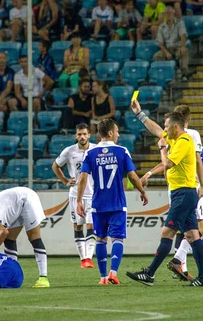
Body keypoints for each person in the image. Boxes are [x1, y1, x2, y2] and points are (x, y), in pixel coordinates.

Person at [128, 105, 203, 287]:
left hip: (183, 193)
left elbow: (169, 163)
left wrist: (162, 149)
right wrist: (140, 114)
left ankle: (149, 274)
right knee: (193, 235)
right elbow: (155, 129)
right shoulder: (173, 138)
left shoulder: (184, 141)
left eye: (166, 126)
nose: (164, 129)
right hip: (184, 193)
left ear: (175, 127)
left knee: (167, 232)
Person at [78, 118, 148, 285]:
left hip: (98, 204)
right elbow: (132, 175)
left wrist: (79, 200)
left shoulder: (90, 153)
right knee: (117, 239)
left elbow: (82, 178)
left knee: (100, 239)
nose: (118, 134)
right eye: (116, 131)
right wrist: (142, 191)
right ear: (110, 133)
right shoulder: (122, 151)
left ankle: (102, 278)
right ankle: (113, 273)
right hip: (117, 203)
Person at [52, 123, 98, 268]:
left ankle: (89, 258)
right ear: (75, 135)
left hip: (93, 194)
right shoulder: (69, 151)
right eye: (79, 134)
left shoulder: (96, 149)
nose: (82, 137)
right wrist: (65, 181)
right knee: (78, 226)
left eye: (84, 134)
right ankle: (83, 258)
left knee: (91, 225)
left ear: (89, 135)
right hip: (75, 194)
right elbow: (55, 166)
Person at [154, 6, 188, 80]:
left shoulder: (180, 23)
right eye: (166, 13)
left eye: (170, 13)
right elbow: (160, 42)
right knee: (156, 56)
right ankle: (164, 74)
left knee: (183, 52)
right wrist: (166, 52)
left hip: (177, 48)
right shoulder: (161, 27)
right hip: (167, 49)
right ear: (164, 15)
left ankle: (184, 74)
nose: (168, 14)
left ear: (173, 13)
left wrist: (182, 46)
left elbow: (183, 35)